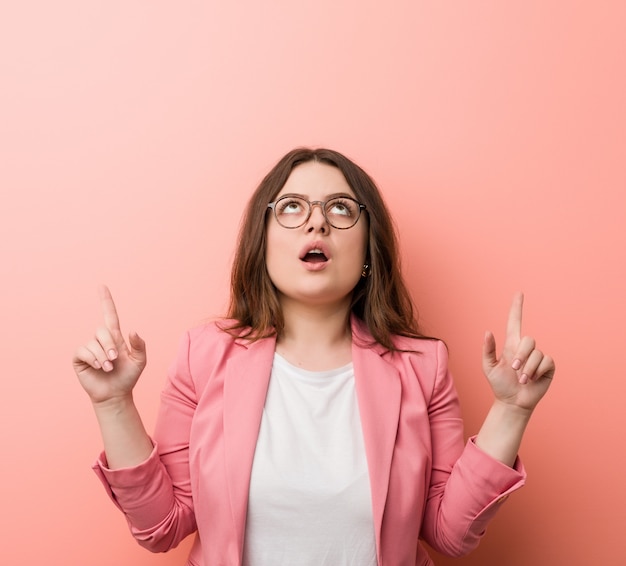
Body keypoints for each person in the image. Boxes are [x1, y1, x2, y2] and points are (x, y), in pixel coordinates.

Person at [73, 147, 555, 566]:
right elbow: (162, 528)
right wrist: (113, 404)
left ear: (369, 247)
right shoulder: (204, 356)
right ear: (263, 241)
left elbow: (451, 533)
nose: (317, 220)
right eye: (291, 207)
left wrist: (512, 410)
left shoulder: (423, 367)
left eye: (341, 208)